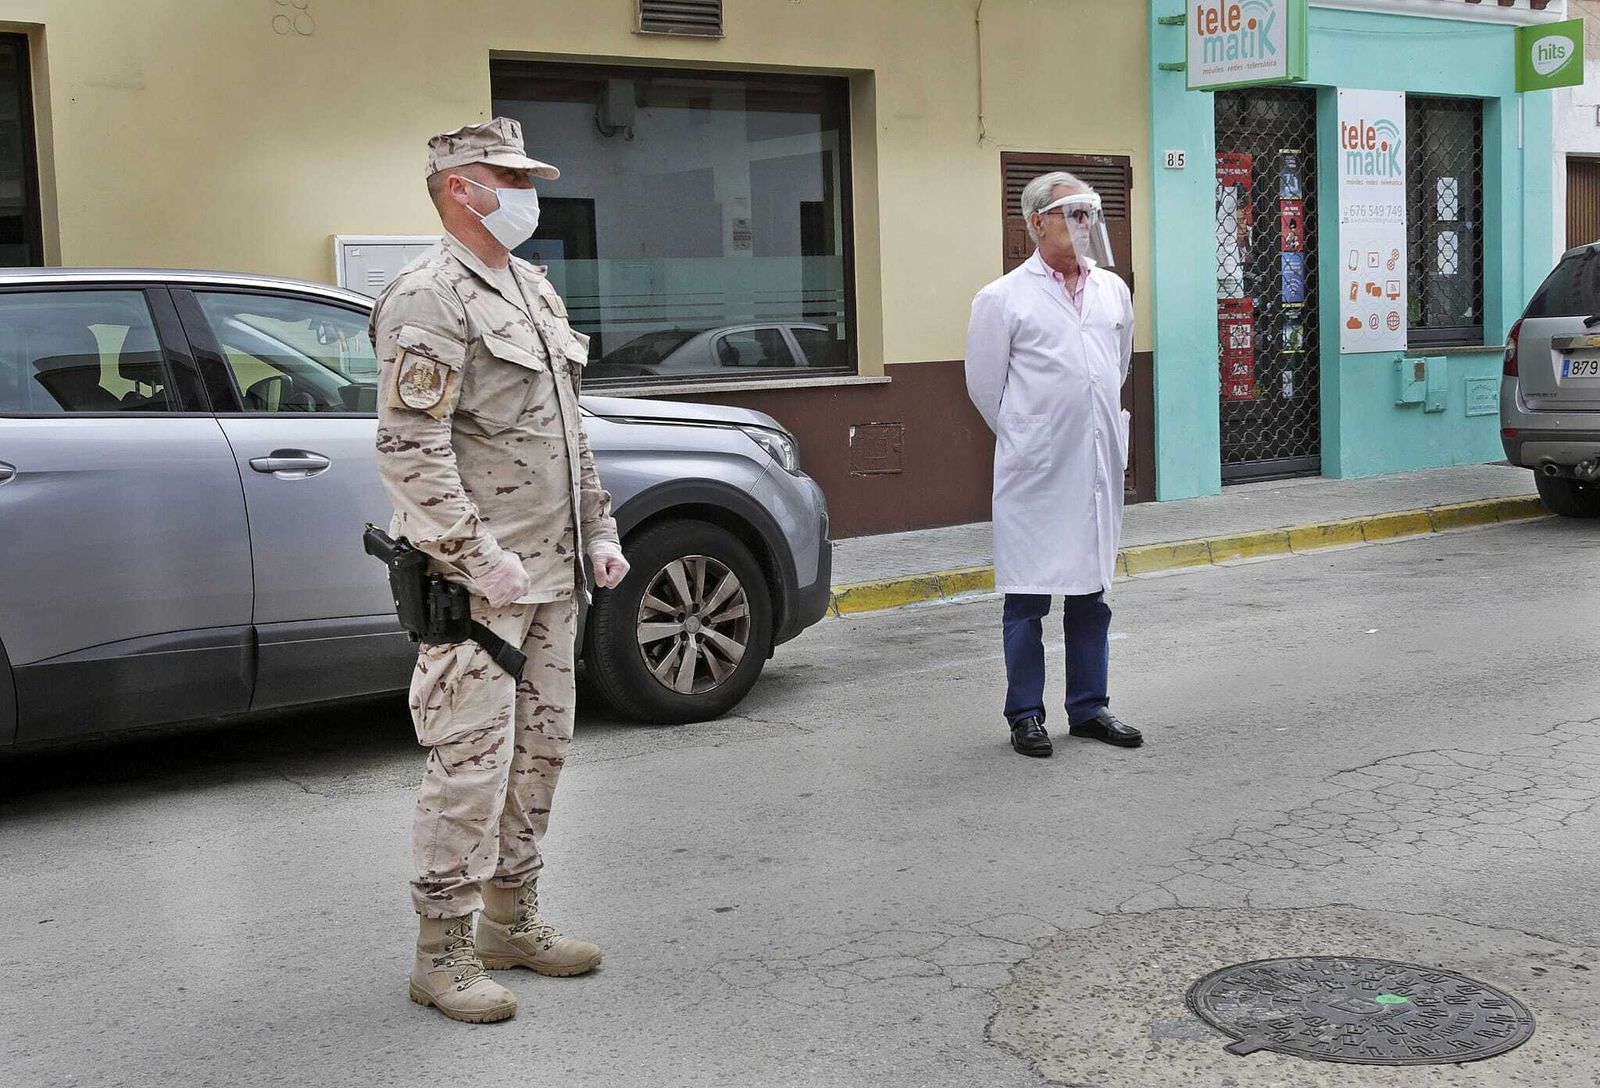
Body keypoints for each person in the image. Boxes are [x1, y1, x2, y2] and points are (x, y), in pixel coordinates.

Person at [371, 117, 630, 1023]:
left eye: (525, 177)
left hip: (555, 576)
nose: (525, 193)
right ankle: (439, 951)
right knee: (470, 765)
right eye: (505, 177)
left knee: (542, 754)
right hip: (482, 588)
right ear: (457, 188)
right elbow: (411, 450)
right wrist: (479, 559)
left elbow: (569, 431)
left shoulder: (532, 290)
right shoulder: (426, 297)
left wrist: (598, 526)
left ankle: (509, 921)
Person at [964, 171, 1143, 759]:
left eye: (1090, 214)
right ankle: (1026, 714)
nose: (1085, 226)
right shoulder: (1002, 298)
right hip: (1036, 471)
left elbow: (1114, 369)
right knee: (1028, 597)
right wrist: (1031, 436)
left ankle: (1090, 707)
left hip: (1092, 466)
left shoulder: (1113, 290)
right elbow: (985, 388)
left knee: (1091, 592)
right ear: (1036, 222)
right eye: (1072, 214)